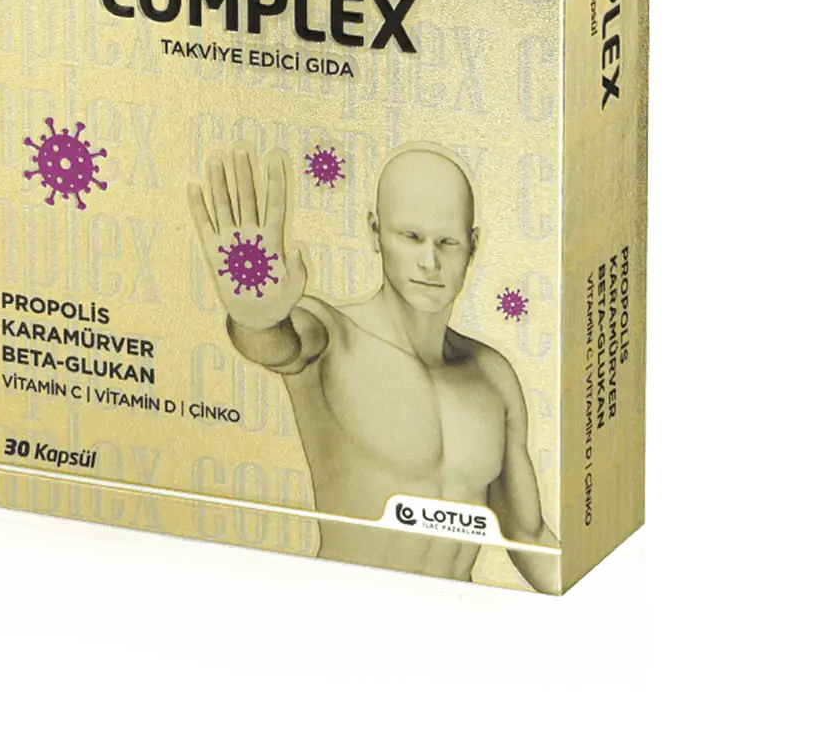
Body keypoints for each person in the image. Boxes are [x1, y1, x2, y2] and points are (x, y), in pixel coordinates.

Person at [188, 142, 560, 592]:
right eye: (411, 237)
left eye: (447, 242)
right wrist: (255, 319)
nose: (430, 262)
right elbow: (278, 345)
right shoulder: (332, 335)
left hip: (455, 622)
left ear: (473, 246)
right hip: (349, 616)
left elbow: (529, 537)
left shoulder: (492, 375)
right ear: (375, 232)